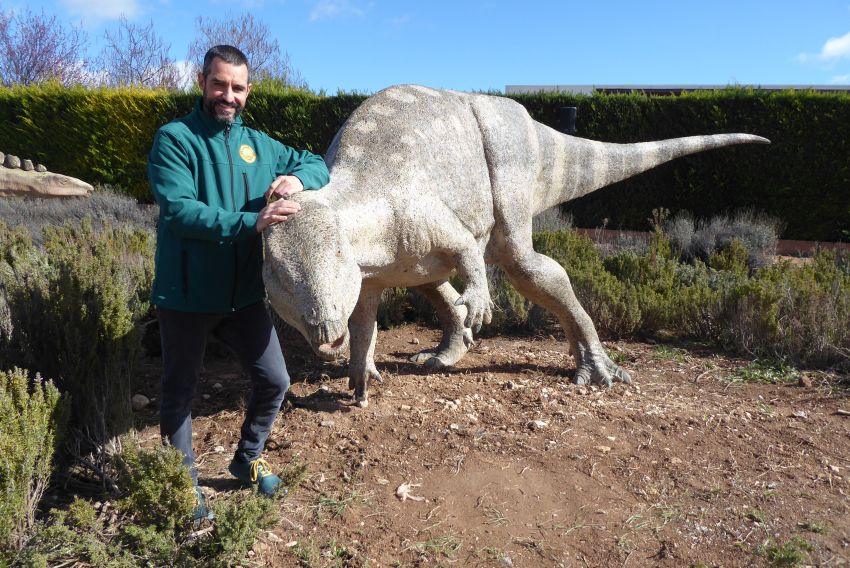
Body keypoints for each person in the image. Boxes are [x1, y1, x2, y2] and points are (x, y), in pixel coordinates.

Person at [147, 45, 329, 519]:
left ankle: (246, 459)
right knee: (179, 391)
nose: (228, 95)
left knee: (275, 380)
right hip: (186, 294)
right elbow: (180, 210)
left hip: (243, 295)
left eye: (238, 87)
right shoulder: (175, 138)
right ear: (202, 81)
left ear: (248, 91)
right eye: (219, 84)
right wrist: (251, 222)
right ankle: (183, 485)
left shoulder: (260, 145)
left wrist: (295, 181)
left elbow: (315, 163)